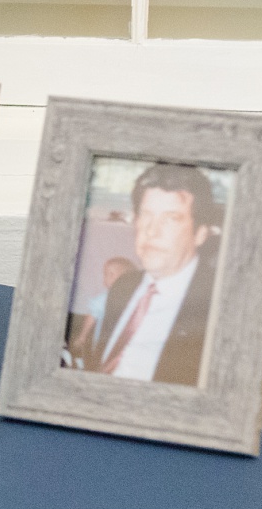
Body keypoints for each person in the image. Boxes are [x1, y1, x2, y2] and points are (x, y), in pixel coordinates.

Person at [72, 164, 221, 386]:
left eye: (171, 218)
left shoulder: (217, 306)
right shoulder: (123, 286)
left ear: (200, 234)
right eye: (146, 215)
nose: (152, 231)